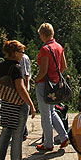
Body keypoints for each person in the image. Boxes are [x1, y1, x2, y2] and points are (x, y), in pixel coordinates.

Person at [0, 40, 36, 160]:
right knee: (17, 135)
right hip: (17, 104)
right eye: (21, 52)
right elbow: (21, 88)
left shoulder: (1, 66)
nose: (22, 55)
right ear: (15, 53)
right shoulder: (17, 68)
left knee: (5, 131)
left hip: (6, 102)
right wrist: (31, 105)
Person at [34, 23, 69, 152]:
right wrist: (55, 76)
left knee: (45, 115)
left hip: (44, 84)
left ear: (43, 35)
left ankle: (48, 143)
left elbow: (43, 71)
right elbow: (64, 66)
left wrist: (35, 80)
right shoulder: (59, 47)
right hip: (55, 84)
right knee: (52, 112)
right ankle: (64, 136)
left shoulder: (45, 49)